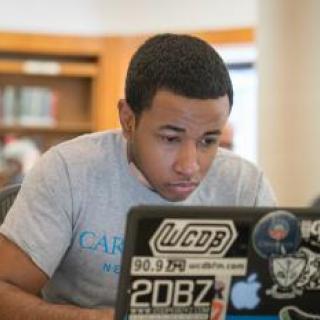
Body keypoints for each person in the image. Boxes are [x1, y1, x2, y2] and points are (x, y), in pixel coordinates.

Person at [0, 33, 276, 319]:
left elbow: (282, 299)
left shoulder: (246, 185)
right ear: (128, 120)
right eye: (170, 138)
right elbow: (4, 292)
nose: (189, 165)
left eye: (208, 141)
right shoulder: (68, 171)